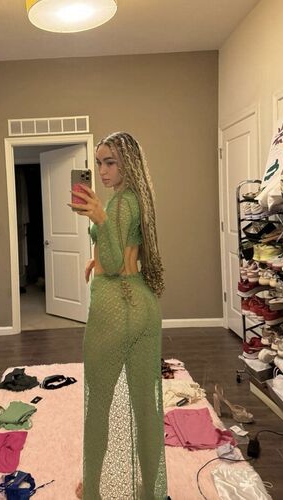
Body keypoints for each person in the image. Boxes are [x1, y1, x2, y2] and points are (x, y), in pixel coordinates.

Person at [68, 132, 168, 499]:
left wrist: (99, 218)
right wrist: (96, 254)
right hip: (143, 305)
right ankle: (150, 490)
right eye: (98, 163)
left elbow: (111, 264)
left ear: (128, 163)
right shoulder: (140, 199)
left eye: (110, 162)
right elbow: (127, 253)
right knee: (146, 407)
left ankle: (93, 491)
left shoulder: (119, 203)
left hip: (113, 307)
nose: (102, 170)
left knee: (98, 402)